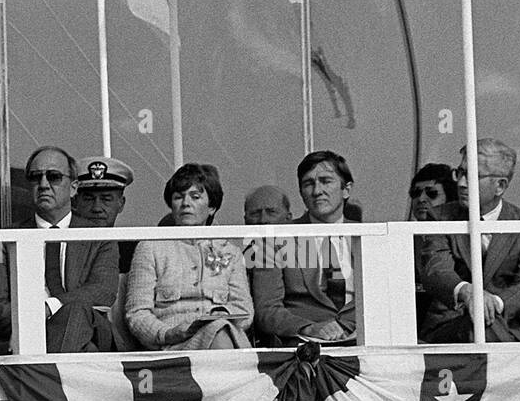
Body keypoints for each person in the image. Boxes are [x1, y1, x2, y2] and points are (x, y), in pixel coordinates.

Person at [0, 145, 118, 353]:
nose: (43, 184)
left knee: (75, 312)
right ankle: (52, 378)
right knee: (85, 350)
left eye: (53, 176)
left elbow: (102, 292)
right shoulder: (3, 240)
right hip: (23, 338)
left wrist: (49, 307)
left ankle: (44, 379)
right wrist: (35, 317)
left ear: (73, 187)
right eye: (35, 177)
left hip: (85, 330)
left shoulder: (99, 236)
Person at [419, 139, 520, 342]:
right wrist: (467, 292)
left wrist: (492, 303)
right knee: (478, 324)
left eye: (472, 176)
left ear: (500, 186)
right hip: (449, 325)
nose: (461, 183)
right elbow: (436, 270)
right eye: (460, 173)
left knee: (484, 322)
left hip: (509, 325)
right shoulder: (439, 216)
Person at [125, 162, 253, 350]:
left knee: (218, 329)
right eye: (178, 197)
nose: (186, 203)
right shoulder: (150, 248)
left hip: (224, 337)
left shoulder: (229, 252)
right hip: (174, 346)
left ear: (211, 207)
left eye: (195, 197)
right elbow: (137, 313)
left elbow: (245, 311)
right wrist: (167, 334)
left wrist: (217, 317)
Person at [251, 150, 356, 344]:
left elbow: (386, 299)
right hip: (304, 344)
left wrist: (349, 326)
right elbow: (266, 310)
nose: (317, 191)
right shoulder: (273, 238)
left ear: (346, 189)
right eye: (309, 184)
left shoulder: (369, 236)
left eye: (326, 181)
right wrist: (308, 328)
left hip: (366, 337)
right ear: (301, 193)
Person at [408, 163, 458, 332]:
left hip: (448, 329)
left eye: (431, 193)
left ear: (449, 198)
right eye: (415, 193)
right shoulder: (401, 240)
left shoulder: (462, 240)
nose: (421, 199)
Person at [73, 154, 135, 272]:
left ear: (121, 204)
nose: (97, 208)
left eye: (106, 199)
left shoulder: (132, 252)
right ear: (75, 202)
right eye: (89, 199)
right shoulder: (61, 246)